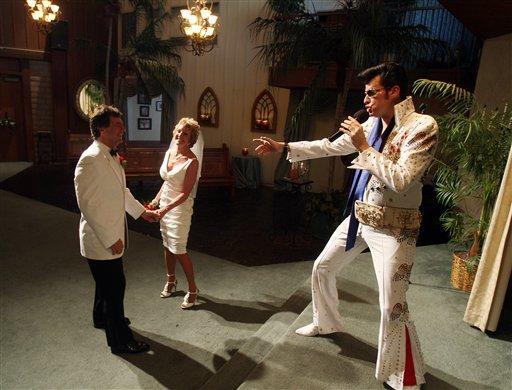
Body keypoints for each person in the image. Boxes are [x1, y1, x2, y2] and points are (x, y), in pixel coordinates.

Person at [254, 62, 438, 390]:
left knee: (391, 304)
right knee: (323, 267)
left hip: (395, 228)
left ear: (394, 92)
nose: (366, 100)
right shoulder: (369, 124)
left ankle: (405, 378)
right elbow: (329, 145)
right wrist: (283, 148)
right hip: (360, 217)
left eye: (372, 93)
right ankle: (326, 322)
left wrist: (365, 148)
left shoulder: (422, 127)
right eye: (365, 94)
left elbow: (402, 178)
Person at [74, 105, 159, 354]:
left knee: (105, 284)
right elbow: (88, 205)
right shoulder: (90, 159)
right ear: (101, 129)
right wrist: (111, 238)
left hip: (108, 236)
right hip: (101, 239)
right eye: (118, 126)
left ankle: (101, 318)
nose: (123, 130)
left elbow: (122, 193)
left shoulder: (109, 155)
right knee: (114, 287)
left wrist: (144, 213)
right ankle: (121, 341)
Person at [147, 118, 203, 309]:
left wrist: (164, 209)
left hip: (179, 210)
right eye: (178, 131)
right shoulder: (169, 153)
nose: (180, 135)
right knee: (166, 245)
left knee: (178, 248)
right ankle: (171, 280)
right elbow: (167, 182)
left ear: (191, 138)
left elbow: (184, 193)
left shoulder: (192, 162)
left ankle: (193, 289)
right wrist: (155, 201)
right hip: (164, 206)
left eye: (185, 133)